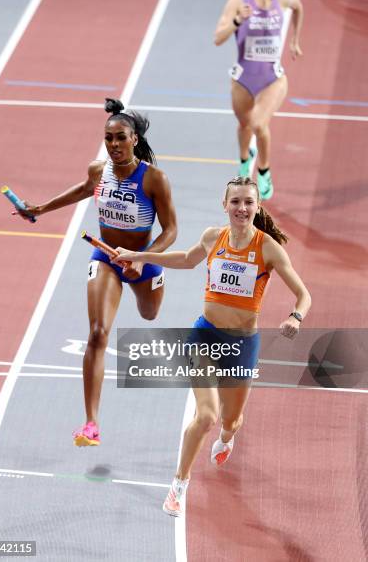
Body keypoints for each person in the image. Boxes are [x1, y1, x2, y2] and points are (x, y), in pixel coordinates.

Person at [112, 176, 311, 516]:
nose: (242, 208)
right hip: (204, 338)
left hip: (242, 345)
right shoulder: (212, 237)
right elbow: (187, 258)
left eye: (248, 202)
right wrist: (140, 256)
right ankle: (178, 485)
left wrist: (295, 317)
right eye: (235, 202)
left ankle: (228, 437)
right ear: (225, 205)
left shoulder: (267, 249)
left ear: (257, 206)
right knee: (206, 415)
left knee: (230, 421)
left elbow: (304, 295)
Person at [17, 98, 177, 446]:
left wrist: (142, 257)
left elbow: (171, 231)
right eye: (108, 138)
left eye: (120, 138)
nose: (114, 145)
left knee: (149, 315)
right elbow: (83, 189)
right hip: (104, 258)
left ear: (134, 139)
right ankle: (91, 423)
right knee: (98, 333)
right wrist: (41, 208)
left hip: (142, 261)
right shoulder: (97, 171)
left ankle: (150, 281)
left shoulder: (154, 179)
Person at [214, 0, 303, 199]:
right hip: (243, 79)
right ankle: (245, 160)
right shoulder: (238, 1)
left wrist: (295, 40)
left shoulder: (283, 0)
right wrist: (237, 19)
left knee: (259, 124)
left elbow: (298, 7)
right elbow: (218, 38)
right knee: (244, 125)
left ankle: (263, 171)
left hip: (273, 78)